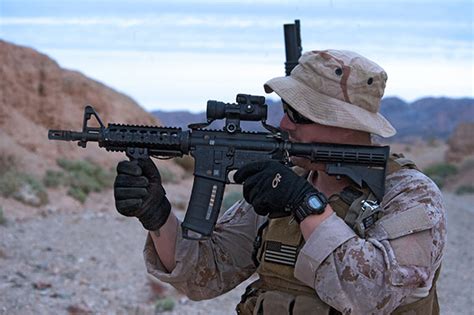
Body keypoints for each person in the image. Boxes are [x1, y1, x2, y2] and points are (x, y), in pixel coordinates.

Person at [113, 50, 446, 314]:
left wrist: (306, 204)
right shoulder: (290, 179)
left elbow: (369, 298)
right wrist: (158, 216)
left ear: (347, 124)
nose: (284, 122)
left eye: (299, 114)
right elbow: (207, 275)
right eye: (287, 108)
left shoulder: (410, 195)